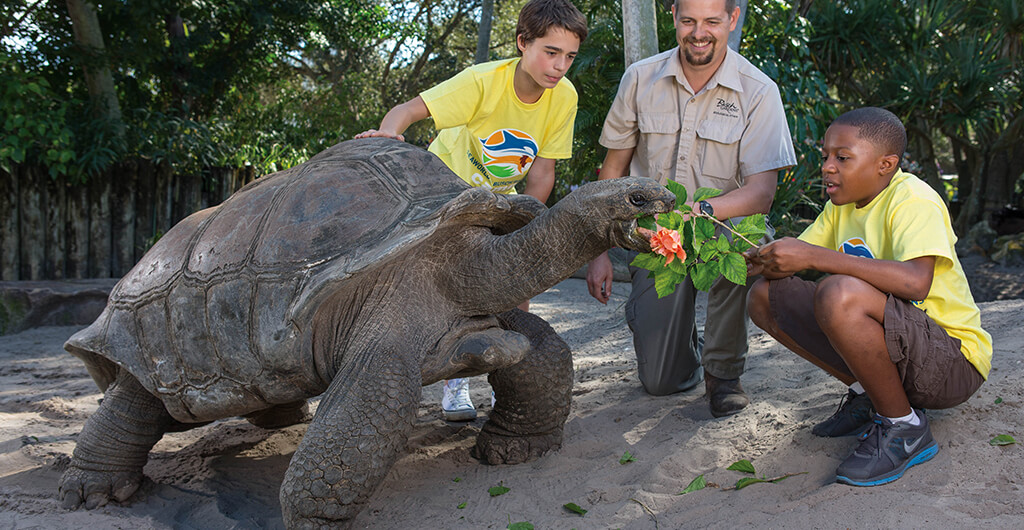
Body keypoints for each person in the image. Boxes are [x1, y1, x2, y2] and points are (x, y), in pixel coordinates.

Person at [356, 0, 588, 422]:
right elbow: (409, 111)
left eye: (569, 56)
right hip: (444, 198)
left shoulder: (563, 96)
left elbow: (543, 170)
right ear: (523, 42)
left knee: (519, 291)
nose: (559, 66)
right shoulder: (482, 82)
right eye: (550, 52)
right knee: (451, 295)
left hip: (501, 202)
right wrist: (388, 134)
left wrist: (530, 227)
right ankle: (453, 384)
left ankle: (513, 389)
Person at [745, 107, 992, 486]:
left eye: (842, 158)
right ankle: (871, 395)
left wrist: (814, 256)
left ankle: (904, 426)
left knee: (839, 292)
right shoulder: (838, 208)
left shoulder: (913, 200)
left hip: (952, 363)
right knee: (764, 296)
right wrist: (747, 260)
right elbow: (791, 262)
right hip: (905, 351)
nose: (827, 167)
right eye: (825, 156)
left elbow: (916, 283)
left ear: (885, 165)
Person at [586, 0, 795, 417]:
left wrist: (697, 211)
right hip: (654, 236)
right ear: (675, 17)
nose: (699, 33)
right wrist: (597, 250)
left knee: (745, 240)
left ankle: (723, 373)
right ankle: (678, 342)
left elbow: (760, 194)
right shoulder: (641, 78)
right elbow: (612, 172)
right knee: (661, 382)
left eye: (712, 22)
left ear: (732, 20)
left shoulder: (759, 91)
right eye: (689, 21)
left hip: (722, 225)